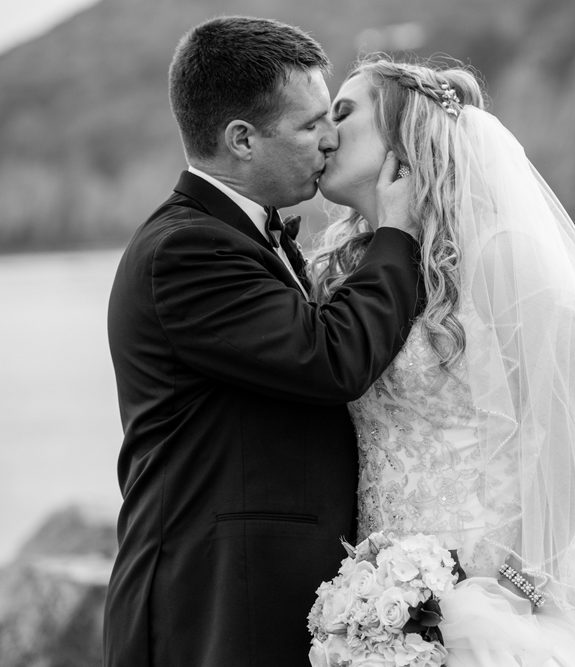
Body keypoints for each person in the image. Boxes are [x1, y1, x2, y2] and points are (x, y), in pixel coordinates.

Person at [311, 56, 575, 666]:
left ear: (405, 129)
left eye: (343, 112)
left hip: (490, 598)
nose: (326, 133)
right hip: (380, 596)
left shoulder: (500, 253)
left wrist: (520, 586)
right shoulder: (356, 272)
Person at [104, 19, 424, 666]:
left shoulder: (246, 235)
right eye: (310, 125)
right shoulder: (186, 251)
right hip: (208, 614)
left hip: (259, 605)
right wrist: (398, 236)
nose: (330, 139)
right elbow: (332, 358)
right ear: (242, 140)